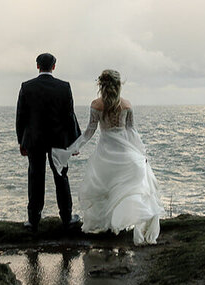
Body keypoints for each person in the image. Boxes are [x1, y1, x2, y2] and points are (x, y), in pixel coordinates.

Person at [64, 69, 163, 245]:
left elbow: (89, 131)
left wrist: (75, 147)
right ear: (119, 85)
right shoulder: (126, 105)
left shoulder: (96, 105)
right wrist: (141, 153)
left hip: (105, 153)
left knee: (107, 189)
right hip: (125, 152)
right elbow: (132, 131)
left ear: (101, 85)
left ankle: (110, 226)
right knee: (124, 190)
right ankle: (120, 224)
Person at [15, 53, 82, 232]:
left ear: (37, 66)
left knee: (35, 178)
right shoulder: (64, 87)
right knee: (61, 177)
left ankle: (33, 221)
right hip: (58, 141)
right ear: (54, 66)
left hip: (34, 140)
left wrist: (21, 141)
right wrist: (73, 143)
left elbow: (21, 116)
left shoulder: (27, 87)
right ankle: (67, 219)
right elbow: (69, 117)